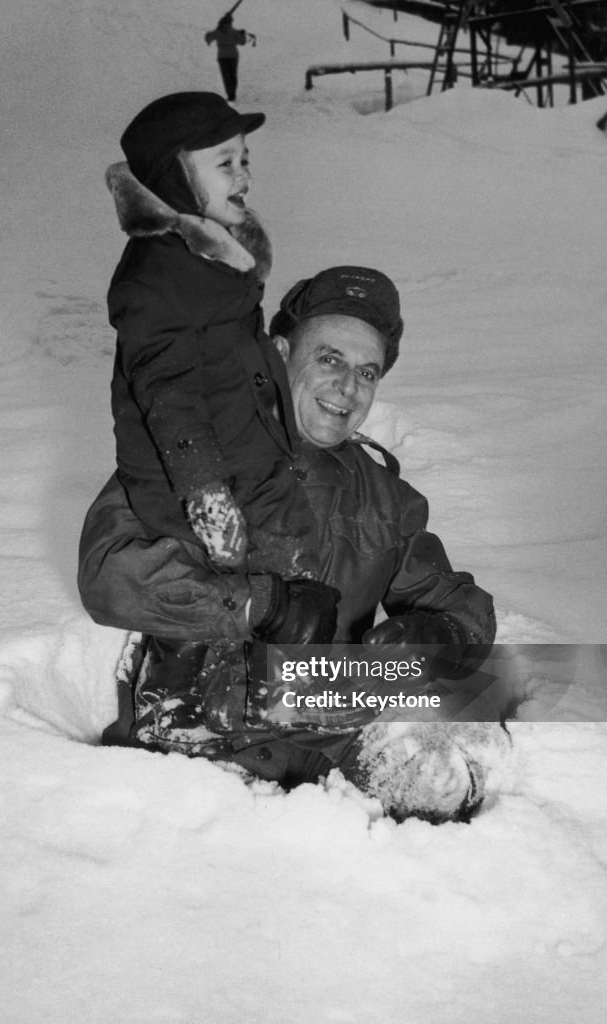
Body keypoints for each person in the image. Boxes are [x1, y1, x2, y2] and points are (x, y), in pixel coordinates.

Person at [79, 267, 503, 824]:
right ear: (279, 355)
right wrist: (262, 605)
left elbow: (460, 605)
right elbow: (109, 576)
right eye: (329, 359)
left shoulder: (386, 499)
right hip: (191, 739)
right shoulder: (191, 456)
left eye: (367, 372)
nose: (348, 387)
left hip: (323, 739)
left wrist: (441, 633)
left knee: (452, 764)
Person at [105, 91, 323, 587]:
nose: (244, 177)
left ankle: (300, 627)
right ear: (174, 178)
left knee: (301, 575)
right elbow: (169, 398)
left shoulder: (216, 256)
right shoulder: (155, 281)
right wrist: (207, 497)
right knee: (268, 596)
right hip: (194, 489)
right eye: (226, 164)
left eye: (245, 160)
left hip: (252, 461)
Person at [204, 14, 253, 103]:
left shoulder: (217, 32)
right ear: (230, 22)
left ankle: (229, 94)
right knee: (233, 75)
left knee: (226, 76)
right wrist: (242, 34)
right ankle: (232, 93)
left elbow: (208, 39)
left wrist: (209, 34)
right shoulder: (234, 32)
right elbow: (242, 42)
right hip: (233, 55)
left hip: (222, 56)